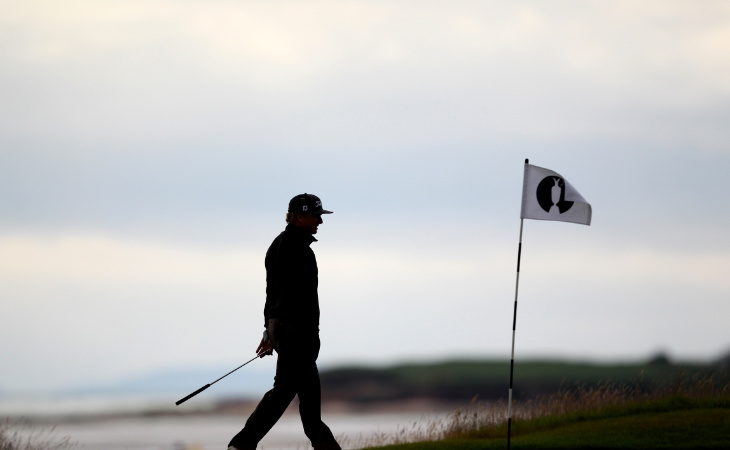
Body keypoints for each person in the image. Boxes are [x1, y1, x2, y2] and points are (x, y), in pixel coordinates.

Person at [228, 193, 342, 450]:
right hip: (296, 332)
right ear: (300, 216)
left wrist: (269, 331)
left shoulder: (276, 245)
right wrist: (306, 334)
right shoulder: (300, 250)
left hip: (281, 328)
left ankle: (323, 445)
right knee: (283, 394)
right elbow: (298, 298)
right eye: (316, 216)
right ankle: (241, 444)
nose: (320, 222)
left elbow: (272, 293)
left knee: (308, 397)